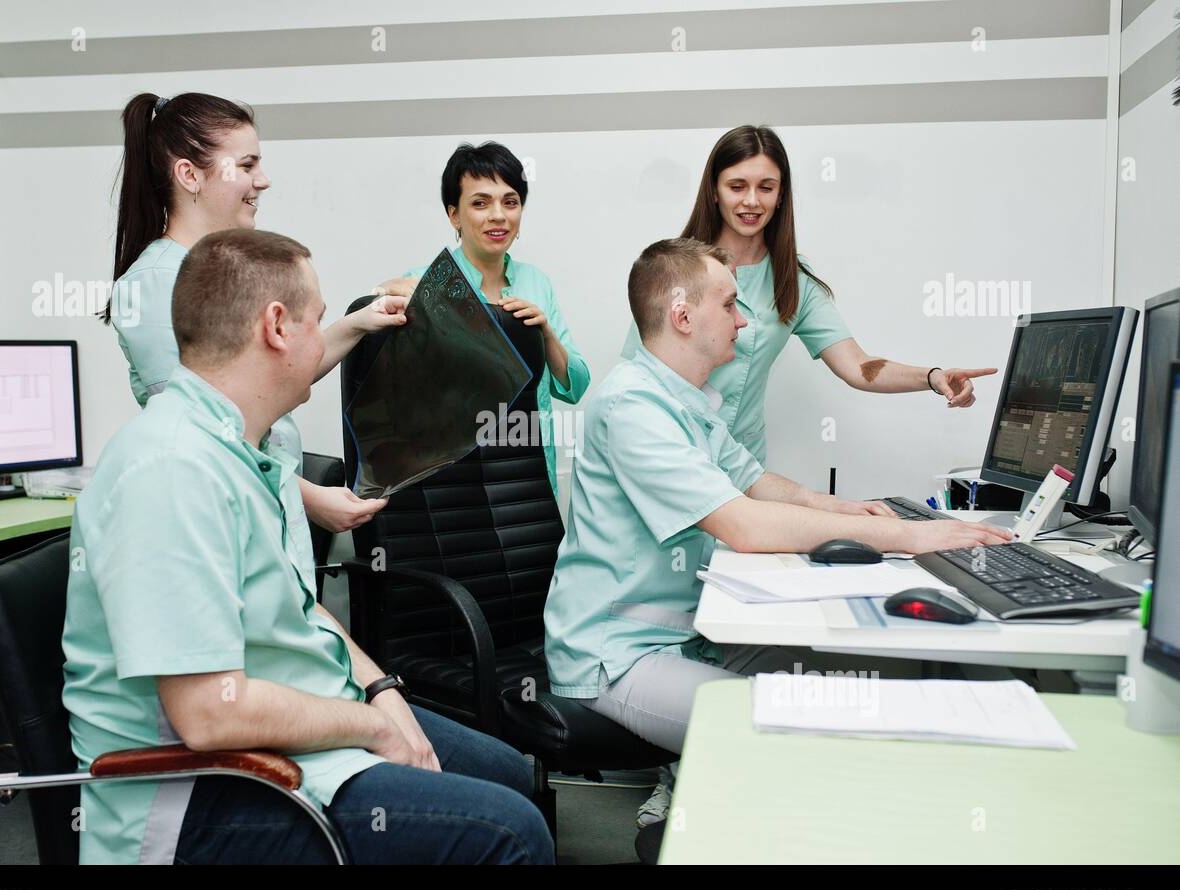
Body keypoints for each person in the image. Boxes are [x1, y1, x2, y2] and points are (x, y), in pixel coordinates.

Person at [64, 228, 554, 864]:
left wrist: (383, 692)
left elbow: (300, 612)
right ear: (276, 327)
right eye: (317, 321)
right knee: (509, 832)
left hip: (291, 728)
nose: (326, 342)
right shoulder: (170, 470)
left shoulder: (239, 453)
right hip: (198, 793)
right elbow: (211, 715)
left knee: (505, 773)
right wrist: (374, 727)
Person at [547, 238, 1011, 819]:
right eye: (730, 305)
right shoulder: (632, 408)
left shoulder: (684, 400)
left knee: (850, 675)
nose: (743, 320)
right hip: (614, 659)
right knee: (798, 724)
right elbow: (742, 524)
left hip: (681, 639)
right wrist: (910, 539)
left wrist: (842, 510)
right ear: (684, 316)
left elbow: (753, 481)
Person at [101, 91, 401, 533]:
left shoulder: (229, 266)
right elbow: (198, 430)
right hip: (223, 509)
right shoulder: (152, 285)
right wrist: (310, 497)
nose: (263, 181)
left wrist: (359, 323)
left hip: (265, 500)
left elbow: (272, 371)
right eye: (246, 166)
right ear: (189, 175)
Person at [624, 125, 997, 466]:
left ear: (781, 194)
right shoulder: (678, 268)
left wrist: (931, 377)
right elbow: (639, 372)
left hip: (739, 462)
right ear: (714, 192)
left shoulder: (793, 282)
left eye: (766, 187)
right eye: (737, 186)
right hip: (668, 451)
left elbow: (858, 366)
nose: (751, 201)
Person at [379, 142, 590, 496]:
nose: (498, 215)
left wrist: (546, 335)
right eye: (480, 203)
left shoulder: (536, 281)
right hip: (450, 478)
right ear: (454, 215)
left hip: (530, 473)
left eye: (510, 202)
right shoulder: (427, 279)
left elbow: (576, 386)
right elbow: (376, 304)